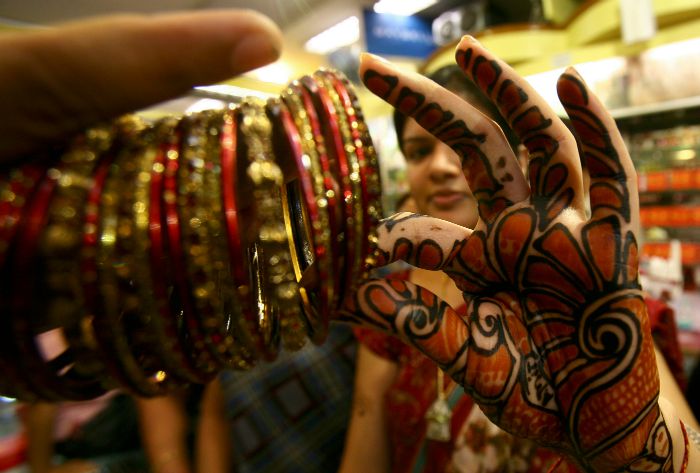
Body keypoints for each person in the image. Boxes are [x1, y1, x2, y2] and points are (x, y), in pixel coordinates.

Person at [0, 10, 698, 472]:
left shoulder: (593, 303)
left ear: (513, 162)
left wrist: (618, 413)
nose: (443, 165)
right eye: (419, 150)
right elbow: (367, 424)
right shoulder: (393, 302)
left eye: (464, 148)